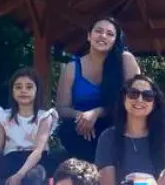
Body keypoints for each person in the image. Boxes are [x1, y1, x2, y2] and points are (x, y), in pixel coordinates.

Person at [56, 17, 140, 162]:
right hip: (83, 130)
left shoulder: (125, 60)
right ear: (89, 36)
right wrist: (83, 116)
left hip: (116, 123)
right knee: (67, 130)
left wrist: (97, 112)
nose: (103, 36)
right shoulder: (73, 67)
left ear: (115, 40)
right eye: (99, 31)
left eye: (110, 34)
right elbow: (61, 109)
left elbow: (136, 99)